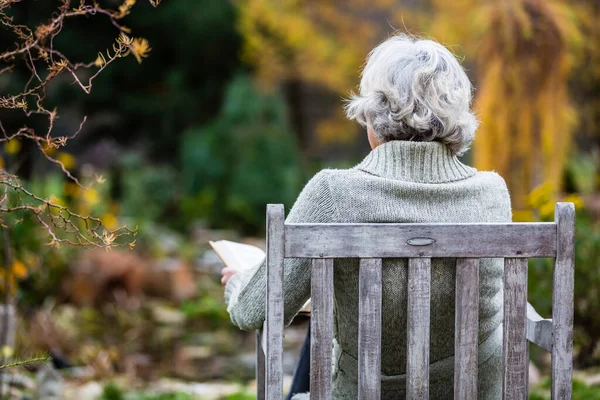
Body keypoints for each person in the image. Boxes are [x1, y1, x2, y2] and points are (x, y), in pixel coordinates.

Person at [221, 34, 511, 399]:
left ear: (374, 113)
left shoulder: (333, 194)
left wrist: (237, 284)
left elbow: (256, 311)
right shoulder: (492, 193)